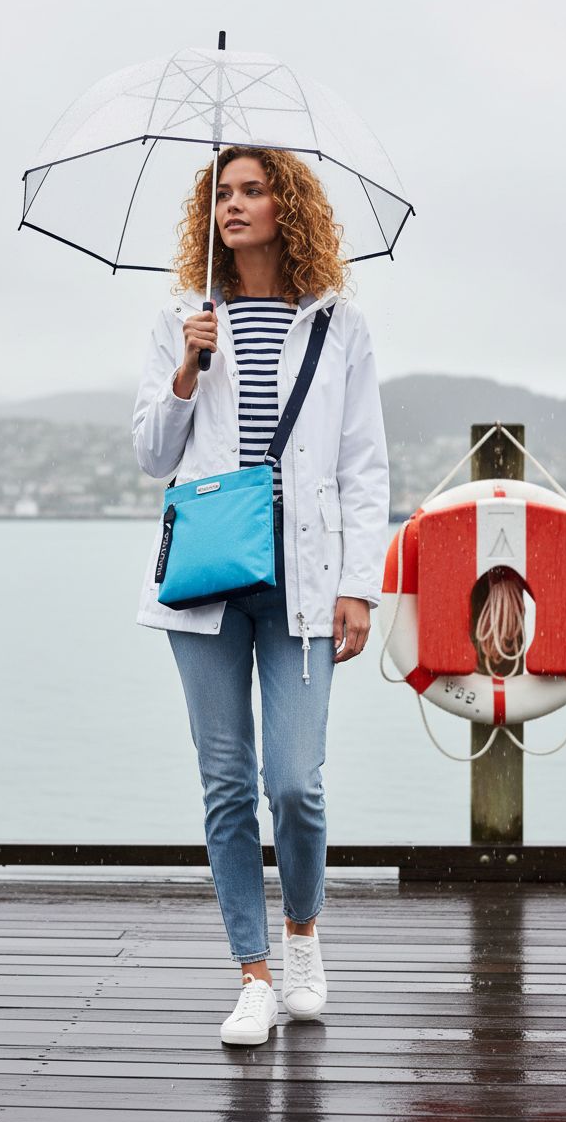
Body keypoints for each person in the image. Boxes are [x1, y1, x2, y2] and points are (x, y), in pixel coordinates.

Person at [132, 145, 389, 1046]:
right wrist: (187, 370)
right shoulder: (183, 317)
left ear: (289, 207)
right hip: (206, 579)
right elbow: (150, 455)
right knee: (227, 783)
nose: (235, 206)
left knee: (296, 784)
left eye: (253, 190)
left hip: (306, 582)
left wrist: (362, 585)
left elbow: (364, 464)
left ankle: (304, 936)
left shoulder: (338, 324)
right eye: (223, 194)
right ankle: (250, 974)